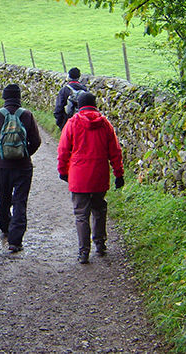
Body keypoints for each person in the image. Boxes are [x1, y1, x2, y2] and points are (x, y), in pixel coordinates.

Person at [57, 91, 124, 264]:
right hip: (99, 175)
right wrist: (118, 173)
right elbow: (115, 151)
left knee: (81, 214)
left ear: (79, 105)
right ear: (95, 104)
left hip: (79, 176)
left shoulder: (72, 123)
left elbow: (63, 150)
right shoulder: (105, 124)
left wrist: (63, 170)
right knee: (99, 209)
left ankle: (83, 251)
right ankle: (100, 244)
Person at [0, 84, 41, 253]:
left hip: (3, 167)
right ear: (19, 97)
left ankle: (5, 226)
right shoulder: (27, 115)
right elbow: (37, 141)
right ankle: (15, 241)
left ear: (4, 97)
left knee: (4, 198)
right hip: (24, 167)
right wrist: (25, 153)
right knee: (20, 201)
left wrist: (1, 155)